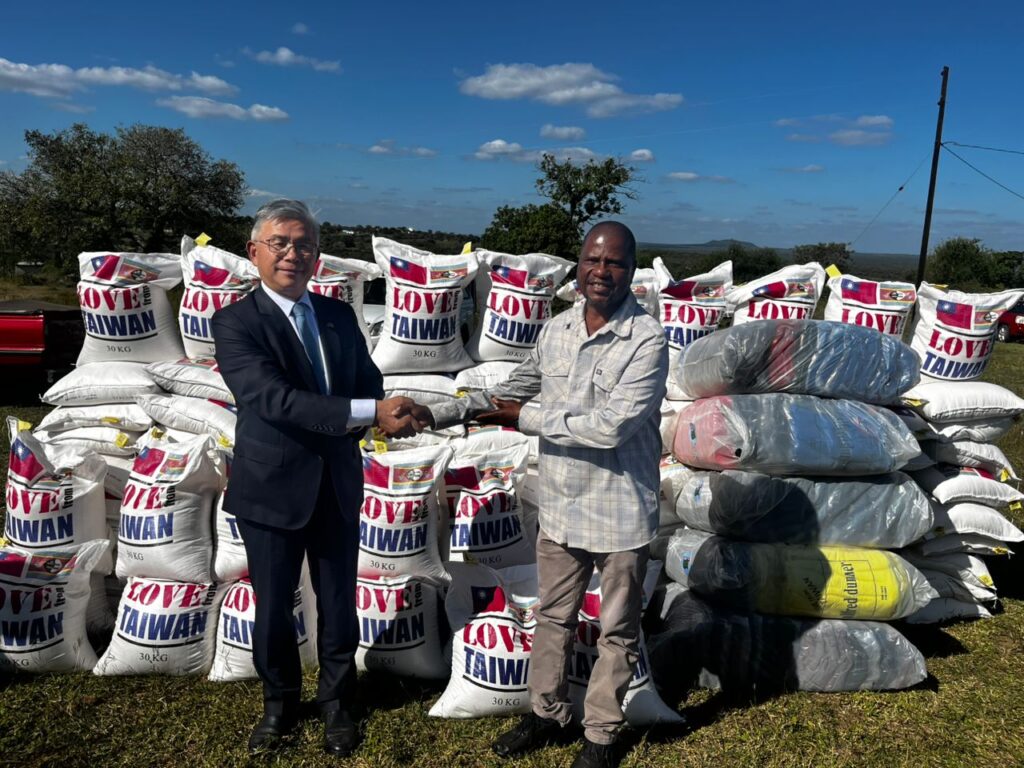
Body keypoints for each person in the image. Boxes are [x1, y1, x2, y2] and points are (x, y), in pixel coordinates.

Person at [417, 221, 669, 768]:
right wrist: (436, 412)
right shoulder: (556, 330)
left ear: (632, 271)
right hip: (560, 502)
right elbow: (509, 392)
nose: (601, 272)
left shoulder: (647, 340)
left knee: (618, 629)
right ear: (578, 266)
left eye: (615, 263)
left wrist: (524, 418)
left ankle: (600, 735)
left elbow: (611, 427)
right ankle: (547, 713)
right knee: (552, 617)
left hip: (620, 508)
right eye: (592, 261)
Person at [212, 199, 426, 757]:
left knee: (338, 600)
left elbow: (366, 380)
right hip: (271, 489)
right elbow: (271, 399)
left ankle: (337, 703)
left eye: (304, 244)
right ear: (254, 252)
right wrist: (365, 413)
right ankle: (279, 703)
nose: (293, 254)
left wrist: (393, 410)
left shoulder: (334, 315)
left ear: (318, 255)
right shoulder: (236, 322)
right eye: (280, 243)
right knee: (274, 605)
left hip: (335, 481)